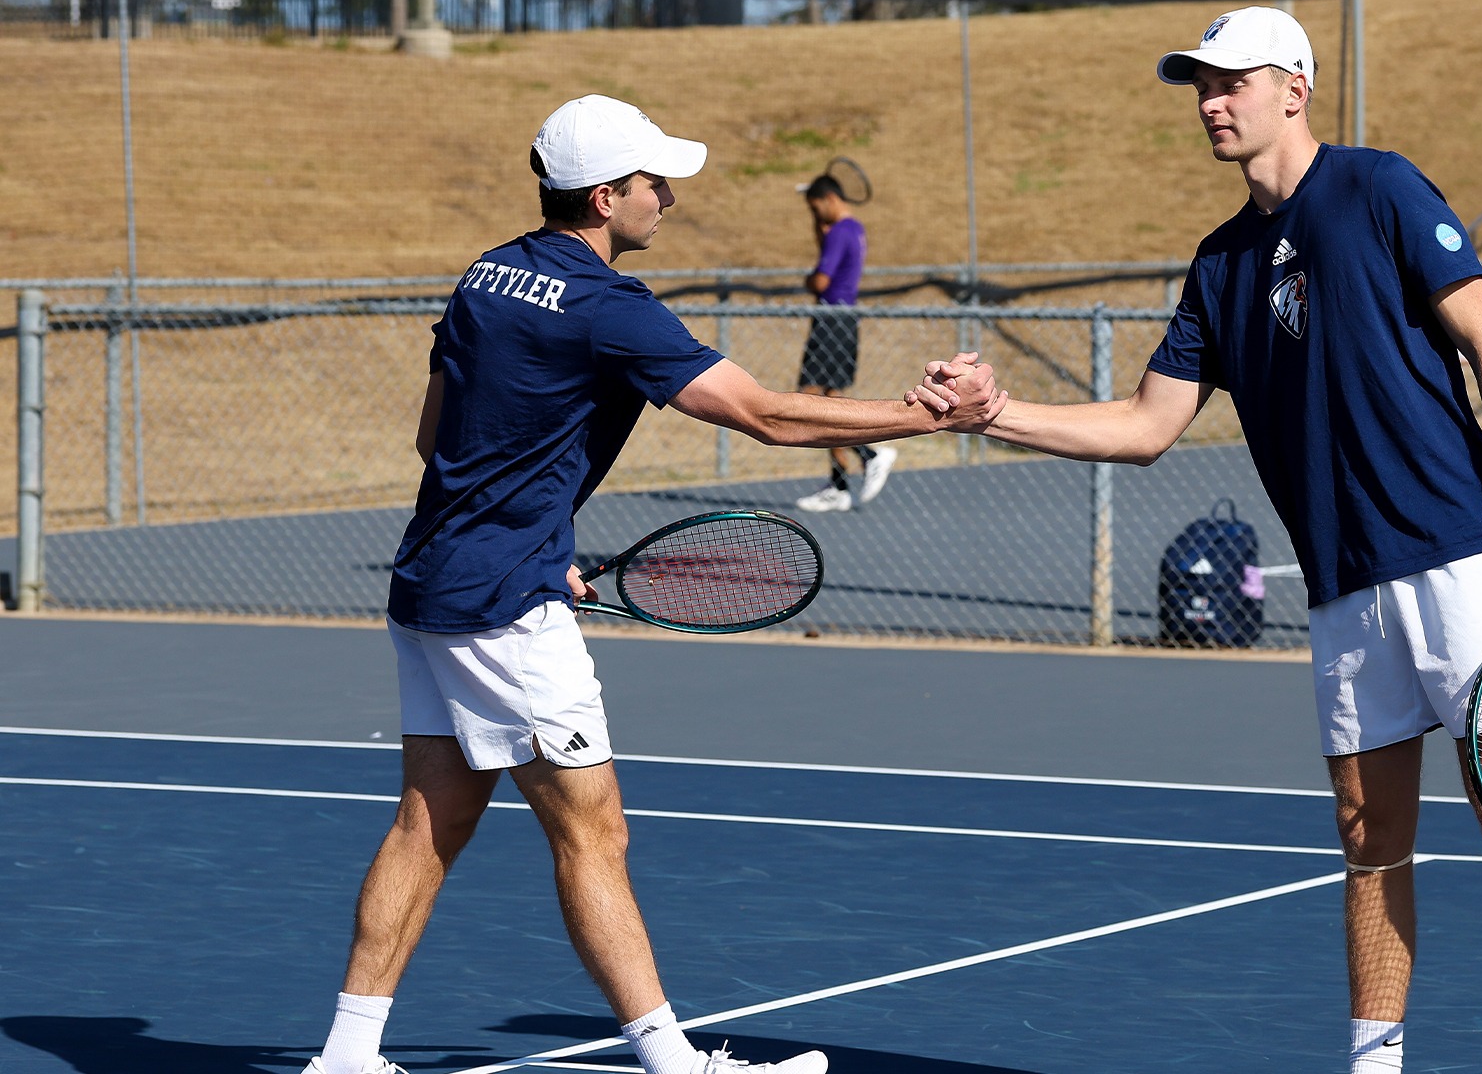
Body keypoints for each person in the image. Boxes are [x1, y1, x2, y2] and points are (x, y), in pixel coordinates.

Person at [913, 8, 1482, 1074]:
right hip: (1341, 589)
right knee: (1370, 844)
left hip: (1461, 559)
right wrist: (996, 415)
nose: (1211, 101)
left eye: (1232, 81)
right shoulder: (1219, 264)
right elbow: (1143, 427)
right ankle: (1375, 1060)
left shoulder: (1380, 188)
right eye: (1199, 86)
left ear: (1295, 90)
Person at [302, 94, 1004, 1074]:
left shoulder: (484, 273)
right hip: (503, 606)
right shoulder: (607, 306)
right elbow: (766, 416)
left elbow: (437, 437)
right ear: (603, 197)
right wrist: (930, 417)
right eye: (652, 182)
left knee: (431, 822)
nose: (668, 197)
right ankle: (676, 1064)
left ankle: (344, 1056)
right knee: (596, 832)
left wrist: (536, 531)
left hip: (431, 584)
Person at [793, 174, 895, 512]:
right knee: (832, 400)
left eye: (815, 207)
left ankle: (871, 453)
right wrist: (815, 220)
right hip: (842, 320)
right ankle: (839, 484)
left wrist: (807, 280)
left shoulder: (840, 231)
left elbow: (820, 280)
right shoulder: (852, 229)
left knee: (809, 397)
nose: (815, 214)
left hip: (833, 322)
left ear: (829, 199)